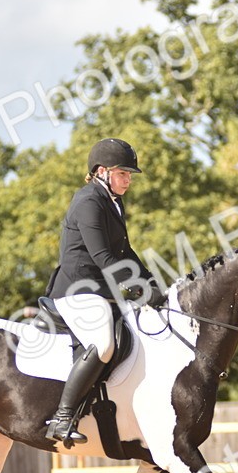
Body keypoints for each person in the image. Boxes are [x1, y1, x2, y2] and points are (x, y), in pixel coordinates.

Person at [43, 138, 164, 443]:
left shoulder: (113, 201)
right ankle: (62, 417)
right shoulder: (88, 202)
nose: (128, 180)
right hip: (77, 290)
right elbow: (104, 258)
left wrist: (151, 282)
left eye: (129, 175)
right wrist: (138, 289)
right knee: (104, 344)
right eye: (122, 174)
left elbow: (125, 251)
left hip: (102, 292)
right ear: (101, 172)